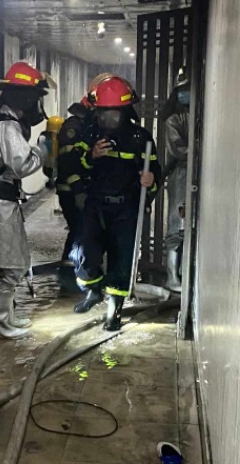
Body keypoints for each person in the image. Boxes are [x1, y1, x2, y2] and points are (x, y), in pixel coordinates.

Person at [70, 76, 160, 331]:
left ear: (124, 112)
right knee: (86, 252)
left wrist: (150, 179)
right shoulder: (89, 134)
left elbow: (155, 170)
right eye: (103, 113)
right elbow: (75, 166)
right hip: (95, 205)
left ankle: (114, 308)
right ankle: (92, 291)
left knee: (122, 259)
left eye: (114, 114)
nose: (108, 120)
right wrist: (92, 155)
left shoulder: (140, 138)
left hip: (126, 208)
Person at [0, 61, 50, 339]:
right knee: (9, 267)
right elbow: (21, 165)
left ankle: (4, 319)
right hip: (0, 207)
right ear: (26, 98)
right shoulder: (7, 127)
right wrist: (41, 152)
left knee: (6, 266)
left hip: (1, 204)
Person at [162, 67, 190, 293]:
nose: (185, 94)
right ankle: (172, 276)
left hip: (196, 174)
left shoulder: (199, 116)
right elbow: (179, 150)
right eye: (182, 90)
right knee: (177, 223)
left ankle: (184, 273)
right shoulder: (173, 120)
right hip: (180, 175)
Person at [56, 96, 93, 264]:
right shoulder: (73, 126)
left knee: (80, 227)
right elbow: (68, 160)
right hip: (69, 189)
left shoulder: (85, 126)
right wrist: (78, 188)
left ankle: (73, 262)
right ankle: (69, 263)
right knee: (78, 226)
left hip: (78, 187)